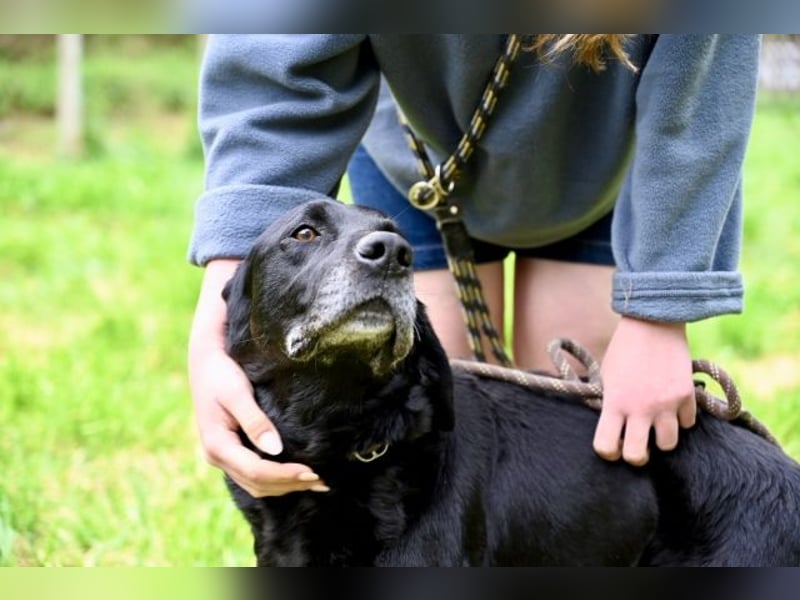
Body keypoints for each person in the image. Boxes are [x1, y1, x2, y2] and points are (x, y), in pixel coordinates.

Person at [187, 34, 761, 498]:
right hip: (419, 157)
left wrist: (656, 313)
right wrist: (230, 292)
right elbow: (277, 55)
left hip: (608, 156)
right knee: (430, 446)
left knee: (579, 455)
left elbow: (706, 62)